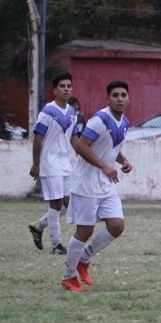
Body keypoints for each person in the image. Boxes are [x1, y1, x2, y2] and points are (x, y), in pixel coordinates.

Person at [60, 80, 133, 291]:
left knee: (117, 225)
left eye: (123, 95)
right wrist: (104, 166)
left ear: (128, 98)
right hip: (86, 183)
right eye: (115, 95)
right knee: (85, 230)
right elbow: (81, 146)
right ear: (107, 98)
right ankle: (68, 276)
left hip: (106, 183)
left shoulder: (125, 121)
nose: (119, 99)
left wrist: (123, 161)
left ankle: (84, 259)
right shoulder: (99, 120)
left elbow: (112, 147)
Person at [28, 73, 79, 254]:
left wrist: (86, 157)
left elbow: (74, 140)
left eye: (68, 86)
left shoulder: (73, 113)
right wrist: (36, 164)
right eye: (62, 86)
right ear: (55, 90)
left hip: (66, 164)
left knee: (68, 204)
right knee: (56, 204)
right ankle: (57, 244)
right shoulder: (47, 112)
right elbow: (38, 140)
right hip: (50, 164)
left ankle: (38, 226)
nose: (66, 89)